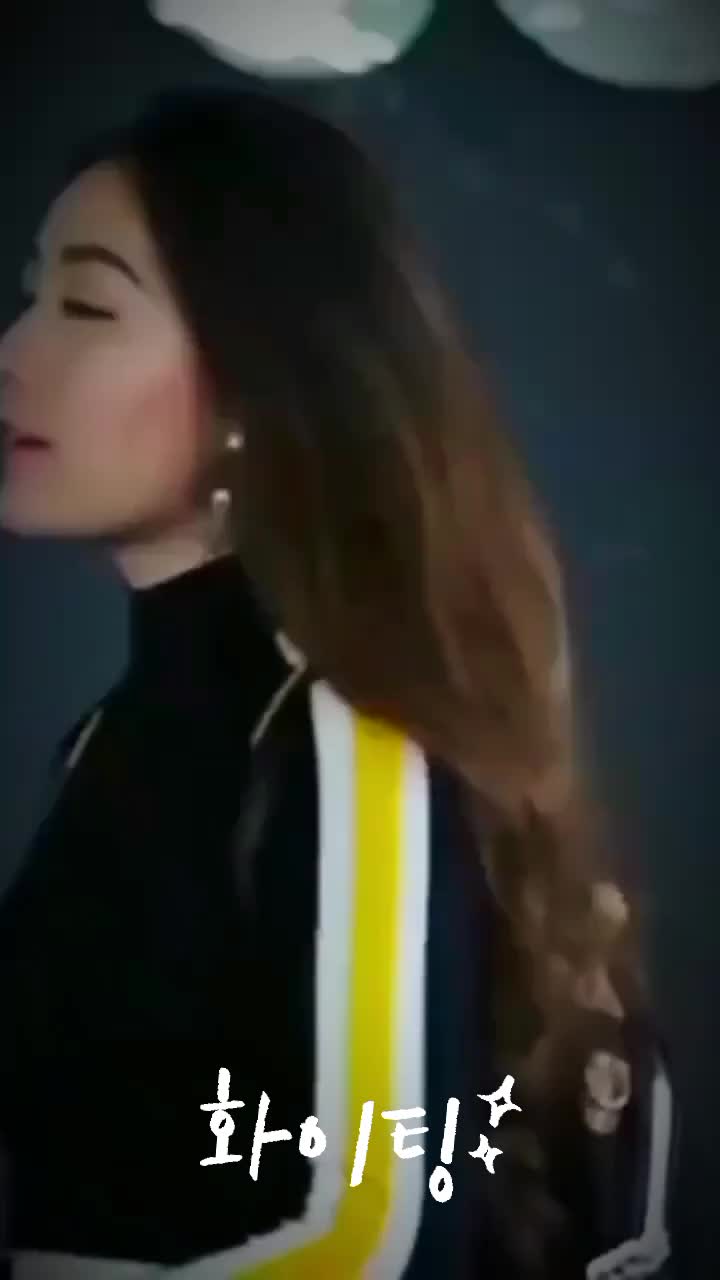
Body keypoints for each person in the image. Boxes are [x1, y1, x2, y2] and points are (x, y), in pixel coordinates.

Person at [0, 88, 676, 1280]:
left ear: (252, 389)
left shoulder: (340, 737)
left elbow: (376, 1236)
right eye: (29, 294)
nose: (13, 350)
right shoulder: (108, 739)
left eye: (88, 306)